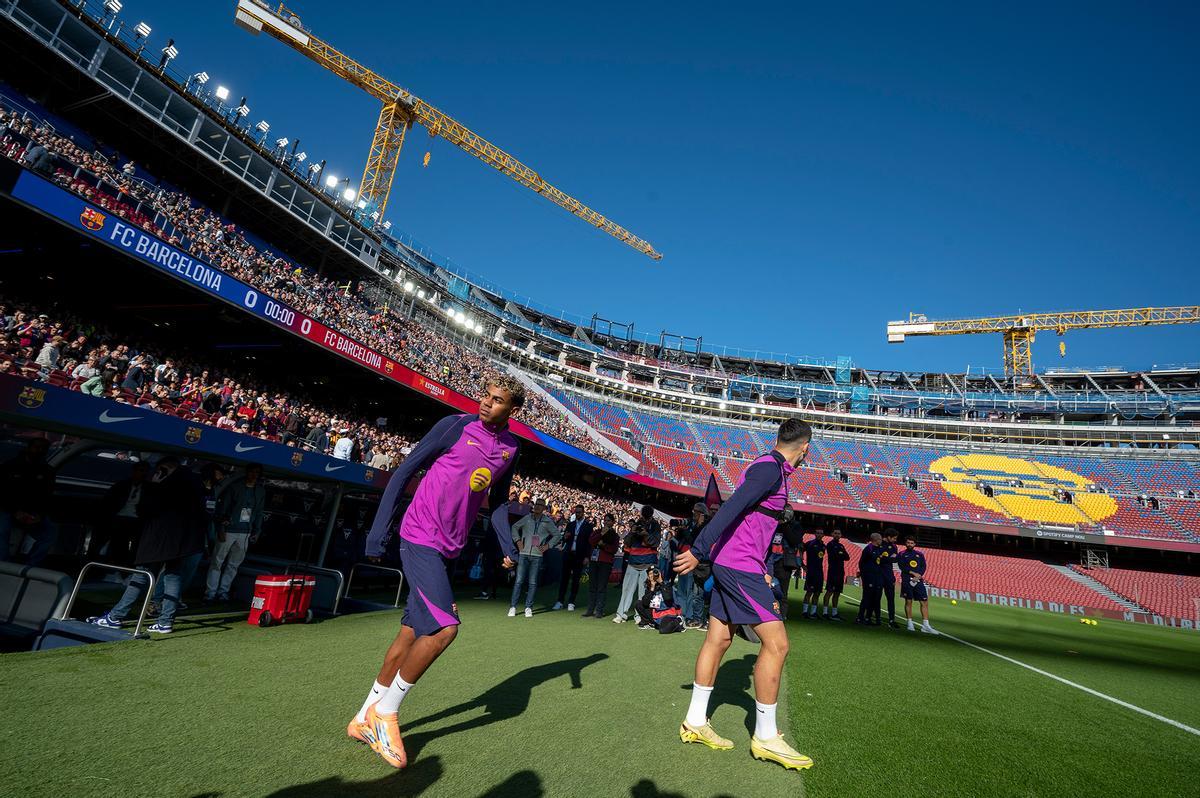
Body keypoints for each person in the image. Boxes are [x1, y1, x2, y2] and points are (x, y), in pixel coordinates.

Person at [350, 377, 523, 770]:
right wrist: (378, 533)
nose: (486, 403)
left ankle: (362, 718)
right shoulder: (454, 426)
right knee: (445, 629)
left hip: (450, 548)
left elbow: (497, 502)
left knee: (411, 632)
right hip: (420, 536)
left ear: (512, 410)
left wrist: (507, 545)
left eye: (497, 400)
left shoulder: (511, 448)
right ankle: (385, 714)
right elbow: (404, 472)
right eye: (485, 395)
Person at [673, 418, 815, 772]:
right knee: (777, 645)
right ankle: (766, 737)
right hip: (739, 565)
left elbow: (753, 524)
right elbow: (732, 507)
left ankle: (695, 721)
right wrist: (699, 550)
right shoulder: (769, 469)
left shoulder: (770, 468)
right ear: (805, 448)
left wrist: (762, 564)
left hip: (738, 563)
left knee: (719, 639)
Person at [88, 456, 206, 634]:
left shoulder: (165, 486)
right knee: (173, 577)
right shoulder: (192, 482)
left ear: (164, 469)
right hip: (179, 543)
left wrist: (155, 485)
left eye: (158, 470)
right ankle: (165, 621)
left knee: (141, 575)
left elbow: (146, 508)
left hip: (158, 539)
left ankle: (115, 617)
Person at [204, 463, 265, 602]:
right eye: (252, 471)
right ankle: (210, 593)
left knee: (233, 565)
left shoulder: (260, 491)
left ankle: (223, 592)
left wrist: (257, 530)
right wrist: (221, 529)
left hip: (245, 532)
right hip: (229, 530)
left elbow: (259, 512)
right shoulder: (235, 487)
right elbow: (222, 510)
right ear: (247, 472)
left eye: (257, 472)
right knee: (217, 562)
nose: (254, 475)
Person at [0, 437, 56, 566]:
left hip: (33, 513)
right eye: (36, 447)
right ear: (28, 447)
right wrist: (16, 511)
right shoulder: (10, 466)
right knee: (1, 530)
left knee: (50, 534)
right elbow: (2, 494)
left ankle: (31, 565)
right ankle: (3, 564)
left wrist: (39, 515)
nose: (39, 450)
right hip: (8, 509)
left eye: (43, 448)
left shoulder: (48, 471)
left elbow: (47, 497)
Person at [508, 498, 561, 617]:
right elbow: (514, 527)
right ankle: (513, 607)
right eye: (537, 504)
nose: (537, 506)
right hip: (524, 554)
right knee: (519, 581)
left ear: (544, 508)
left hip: (537, 556)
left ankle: (528, 607)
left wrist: (547, 546)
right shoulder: (527, 518)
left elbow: (557, 535)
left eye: (540, 505)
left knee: (532, 583)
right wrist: (518, 541)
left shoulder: (547, 521)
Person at [92, 461, 150, 565]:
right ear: (134, 471)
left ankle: (127, 563)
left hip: (137, 519)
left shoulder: (149, 489)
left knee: (134, 539)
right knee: (117, 537)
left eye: (146, 471)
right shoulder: (122, 485)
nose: (143, 474)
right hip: (119, 517)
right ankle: (113, 562)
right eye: (141, 471)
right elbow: (108, 502)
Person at [613, 504, 661, 623]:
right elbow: (627, 543)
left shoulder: (655, 525)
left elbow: (655, 543)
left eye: (647, 518)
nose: (645, 520)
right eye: (644, 517)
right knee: (626, 590)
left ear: (651, 516)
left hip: (648, 562)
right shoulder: (636, 524)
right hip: (633, 562)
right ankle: (621, 614)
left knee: (643, 592)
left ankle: (639, 616)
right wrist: (632, 532)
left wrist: (646, 534)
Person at [553, 503, 592, 611]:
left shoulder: (588, 526)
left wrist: (587, 557)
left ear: (583, 513)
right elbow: (564, 539)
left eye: (579, 512)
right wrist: (565, 537)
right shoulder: (571, 524)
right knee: (564, 579)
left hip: (579, 555)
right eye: (576, 512)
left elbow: (589, 543)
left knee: (575, 579)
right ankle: (560, 601)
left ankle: (571, 602)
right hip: (568, 554)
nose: (577, 514)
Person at [674, 503, 707, 628]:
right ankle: (681, 614)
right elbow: (678, 540)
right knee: (681, 588)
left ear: (701, 513)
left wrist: (686, 531)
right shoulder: (689, 524)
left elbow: (694, 541)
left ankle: (689, 615)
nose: (693, 513)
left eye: (696, 511)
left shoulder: (702, 526)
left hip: (693, 560)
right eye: (693, 510)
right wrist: (680, 530)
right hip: (682, 558)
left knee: (690, 590)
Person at [898, 535, 938, 634]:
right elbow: (902, 566)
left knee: (924, 601)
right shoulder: (901, 554)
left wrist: (919, 575)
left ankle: (926, 626)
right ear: (905, 543)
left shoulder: (919, 554)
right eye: (908, 542)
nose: (910, 544)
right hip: (907, 580)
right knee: (908, 601)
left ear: (915, 544)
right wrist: (913, 573)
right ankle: (909, 623)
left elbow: (923, 566)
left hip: (918, 580)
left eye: (912, 543)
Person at [583, 513, 619, 618]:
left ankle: (599, 610)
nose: (606, 522)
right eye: (605, 520)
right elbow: (591, 541)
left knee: (601, 587)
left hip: (606, 562)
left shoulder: (614, 535)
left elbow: (614, 549)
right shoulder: (597, 532)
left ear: (613, 522)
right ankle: (590, 609)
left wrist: (604, 546)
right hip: (594, 561)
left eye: (609, 520)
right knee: (592, 586)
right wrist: (601, 534)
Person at [635, 566, 681, 631]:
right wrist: (652, 588)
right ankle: (650, 623)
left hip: (667, 612)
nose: (653, 575)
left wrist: (661, 582)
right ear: (648, 577)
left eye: (654, 573)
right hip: (655, 612)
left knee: (663, 628)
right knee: (639, 603)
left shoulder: (667, 584)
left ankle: (676, 622)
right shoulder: (649, 587)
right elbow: (645, 603)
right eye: (650, 574)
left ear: (659, 574)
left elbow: (668, 598)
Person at [820, 529, 850, 621]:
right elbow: (834, 556)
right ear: (832, 534)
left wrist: (840, 554)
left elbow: (847, 557)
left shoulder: (841, 545)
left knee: (837, 593)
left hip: (840, 572)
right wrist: (841, 554)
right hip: (833, 571)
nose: (837, 535)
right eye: (835, 533)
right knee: (829, 591)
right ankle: (825, 612)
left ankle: (834, 613)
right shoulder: (830, 544)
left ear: (841, 535)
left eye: (839, 533)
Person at [856, 532, 884, 626]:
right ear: (876, 540)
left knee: (874, 598)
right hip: (869, 577)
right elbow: (861, 563)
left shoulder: (879, 549)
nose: (881, 541)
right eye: (880, 539)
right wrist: (864, 575)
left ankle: (868, 617)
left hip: (877, 577)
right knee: (867, 597)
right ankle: (860, 617)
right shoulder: (868, 549)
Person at [800, 529, 826, 619]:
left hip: (819, 572)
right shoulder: (810, 543)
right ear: (815, 534)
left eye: (821, 533)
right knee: (809, 592)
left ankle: (813, 612)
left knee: (817, 592)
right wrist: (802, 564)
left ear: (823, 535)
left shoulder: (823, 545)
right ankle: (804, 612)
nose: (819, 534)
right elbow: (800, 551)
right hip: (811, 571)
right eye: (817, 533)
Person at [880, 529, 900, 628]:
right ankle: (874, 618)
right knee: (876, 597)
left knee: (891, 598)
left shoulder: (894, 546)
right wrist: (890, 558)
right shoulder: (879, 544)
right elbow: (879, 559)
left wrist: (885, 559)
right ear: (888, 537)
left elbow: (896, 559)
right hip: (879, 574)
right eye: (894, 538)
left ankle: (892, 620)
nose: (895, 540)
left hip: (889, 576)